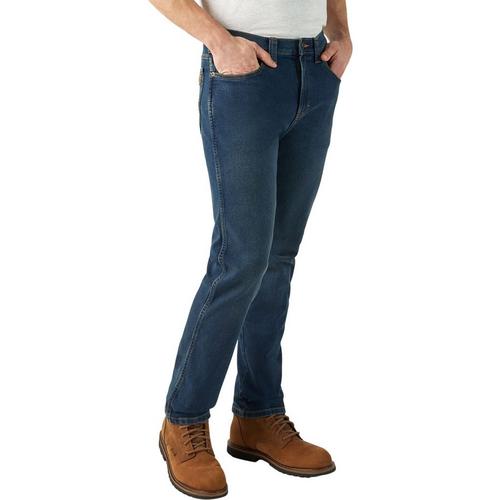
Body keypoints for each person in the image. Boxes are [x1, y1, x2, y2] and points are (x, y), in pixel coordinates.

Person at [149, 0, 352, 497]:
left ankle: (258, 416)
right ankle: (183, 420)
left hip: (315, 69)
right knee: (239, 261)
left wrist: (341, 32)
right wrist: (219, 41)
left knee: (278, 259)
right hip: (243, 71)